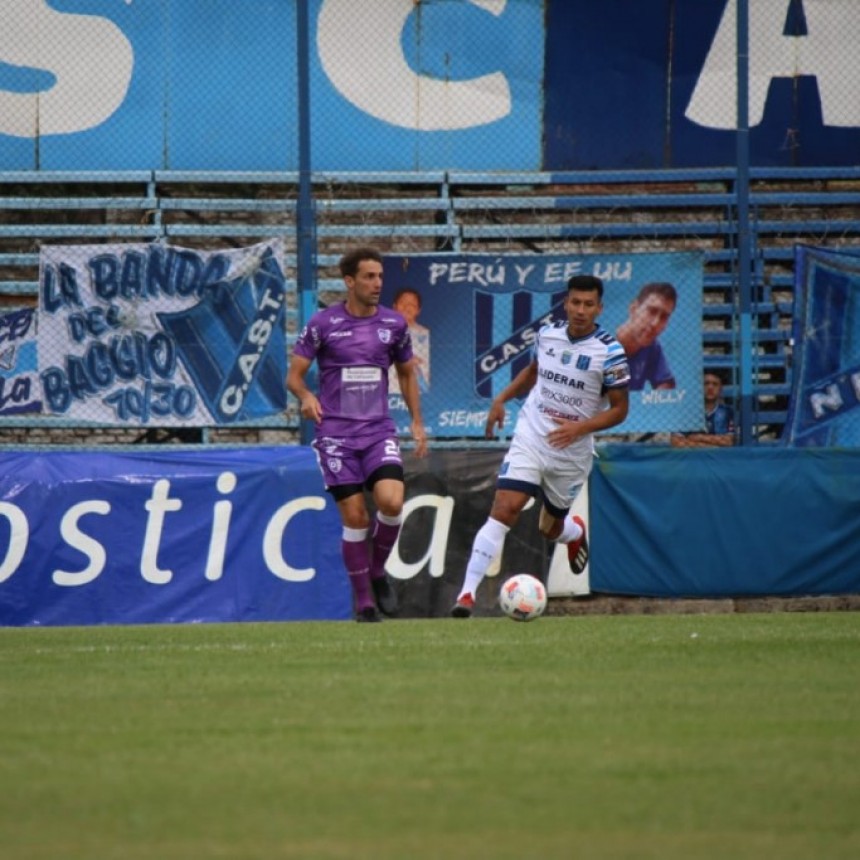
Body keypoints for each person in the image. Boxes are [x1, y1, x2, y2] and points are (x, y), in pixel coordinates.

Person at [451, 274, 630, 618]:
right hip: (533, 434)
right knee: (505, 507)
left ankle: (573, 531)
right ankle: (466, 595)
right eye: (575, 302)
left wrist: (581, 427)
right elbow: (534, 371)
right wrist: (501, 397)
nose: (580, 310)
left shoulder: (610, 352)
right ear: (566, 303)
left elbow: (621, 410)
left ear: (599, 307)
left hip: (572, 450)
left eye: (588, 304)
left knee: (549, 528)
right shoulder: (547, 334)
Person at [287, 247, 428, 622]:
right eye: (369, 277)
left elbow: (406, 373)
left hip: (377, 430)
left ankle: (379, 571)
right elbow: (294, 376)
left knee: (392, 502)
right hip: (335, 435)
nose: (377, 283)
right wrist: (305, 395)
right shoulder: (323, 323)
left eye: (380, 276)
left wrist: (416, 421)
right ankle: (364, 604)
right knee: (356, 518)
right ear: (349, 281)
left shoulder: (394, 324)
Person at [615, 282, 677, 390]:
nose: (655, 323)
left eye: (664, 317)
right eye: (651, 311)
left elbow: (665, 384)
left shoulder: (652, 347)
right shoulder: (602, 346)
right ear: (633, 309)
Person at [671, 372, 736, 448]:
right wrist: (711, 446)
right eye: (706, 383)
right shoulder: (686, 412)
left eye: (715, 384)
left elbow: (728, 441)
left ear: (720, 390)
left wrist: (698, 437)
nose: (710, 387)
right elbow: (676, 442)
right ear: (699, 387)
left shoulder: (727, 411)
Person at [389, 287, 430, 393]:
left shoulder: (427, 334)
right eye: (403, 303)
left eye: (412, 304)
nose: (407, 307)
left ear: (418, 310)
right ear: (394, 307)